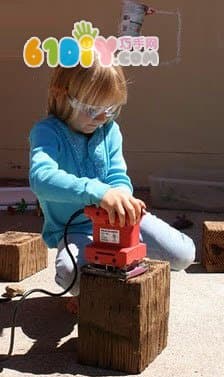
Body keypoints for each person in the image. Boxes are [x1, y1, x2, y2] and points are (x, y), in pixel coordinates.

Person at [29, 57, 196, 306]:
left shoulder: (109, 130)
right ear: (62, 96)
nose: (101, 118)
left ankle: (118, 268)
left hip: (119, 223)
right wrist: (98, 192)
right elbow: (41, 178)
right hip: (74, 230)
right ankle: (95, 288)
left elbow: (118, 176)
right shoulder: (47, 132)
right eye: (92, 109)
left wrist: (122, 197)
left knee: (183, 254)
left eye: (111, 109)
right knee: (69, 274)